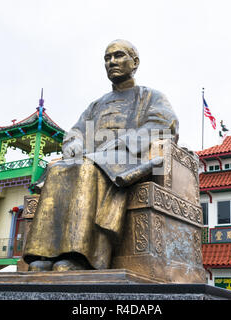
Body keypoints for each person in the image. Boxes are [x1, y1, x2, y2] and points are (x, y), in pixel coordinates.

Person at [23, 39, 179, 272]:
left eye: (118, 56)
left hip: (129, 157)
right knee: (57, 169)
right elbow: (76, 130)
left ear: (134, 62)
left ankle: (81, 256)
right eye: (107, 58)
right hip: (94, 156)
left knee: (87, 168)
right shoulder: (97, 104)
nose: (111, 62)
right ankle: (46, 254)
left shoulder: (151, 96)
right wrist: (74, 142)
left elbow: (165, 124)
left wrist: (122, 143)